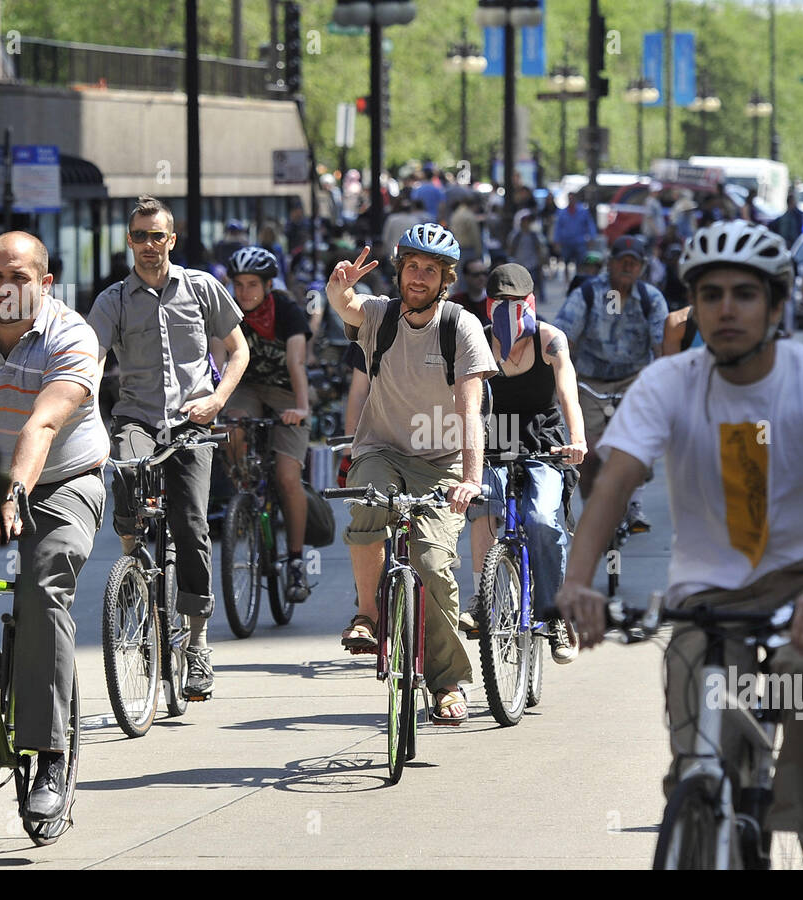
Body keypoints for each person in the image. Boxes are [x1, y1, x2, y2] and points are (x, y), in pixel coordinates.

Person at [556, 220, 803, 870]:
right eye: (711, 294)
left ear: (776, 305)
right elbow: (613, 485)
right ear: (693, 306)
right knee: (696, 710)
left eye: (744, 293)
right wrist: (578, 580)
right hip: (708, 591)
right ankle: (707, 803)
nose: (726, 308)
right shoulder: (668, 381)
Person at [0, 230, 107, 821]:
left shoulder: (72, 335)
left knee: (42, 580)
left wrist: (13, 498)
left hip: (63, 479)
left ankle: (50, 751)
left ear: (46, 284)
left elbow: (42, 426)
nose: (6, 289)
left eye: (20, 278)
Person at [324, 225, 496, 726]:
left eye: (430, 270)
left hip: (440, 464)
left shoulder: (459, 326)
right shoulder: (379, 314)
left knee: (433, 562)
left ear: (445, 279)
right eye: (411, 267)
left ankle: (446, 681)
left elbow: (470, 410)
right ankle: (367, 615)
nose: (418, 277)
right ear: (399, 271)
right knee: (369, 501)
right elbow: (345, 305)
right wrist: (339, 286)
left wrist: (469, 477)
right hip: (382, 448)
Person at [86, 195, 250, 701]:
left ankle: (198, 641)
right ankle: (133, 576)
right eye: (140, 236)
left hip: (191, 424)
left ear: (171, 240)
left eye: (158, 236)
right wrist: (89, 414)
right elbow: (92, 361)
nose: (149, 245)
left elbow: (239, 348)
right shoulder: (112, 299)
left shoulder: (201, 288)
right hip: (137, 418)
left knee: (193, 524)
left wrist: (218, 400)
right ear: (129, 241)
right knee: (129, 490)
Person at [457, 263, 587, 665]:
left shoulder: (550, 340)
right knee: (483, 513)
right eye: (501, 302)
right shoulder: (476, 340)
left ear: (530, 301)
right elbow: (461, 400)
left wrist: (577, 439)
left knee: (542, 519)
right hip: (491, 439)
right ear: (489, 304)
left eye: (518, 301)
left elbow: (569, 395)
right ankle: (483, 598)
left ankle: (556, 615)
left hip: (543, 442)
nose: (510, 309)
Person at [217, 246, 314, 601]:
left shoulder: (287, 311)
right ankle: (246, 490)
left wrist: (302, 409)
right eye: (238, 284)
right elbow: (217, 359)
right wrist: (213, 403)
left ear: (269, 284)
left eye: (252, 284)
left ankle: (297, 561)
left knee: (288, 477)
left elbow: (296, 363)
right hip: (247, 388)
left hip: (287, 393)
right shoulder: (227, 311)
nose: (244, 292)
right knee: (231, 424)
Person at [552, 234, 667, 529]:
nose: (627, 268)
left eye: (634, 263)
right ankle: (593, 510)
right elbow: (562, 338)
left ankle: (635, 504)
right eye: (622, 262)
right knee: (587, 454)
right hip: (591, 382)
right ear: (610, 263)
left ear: (642, 267)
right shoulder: (588, 294)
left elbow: (661, 346)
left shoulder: (651, 299)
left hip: (634, 379)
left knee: (638, 443)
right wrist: (557, 377)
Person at [553, 192, 597, 276]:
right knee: (566, 262)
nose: (571, 200)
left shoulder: (583, 211)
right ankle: (567, 282)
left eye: (572, 198)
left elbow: (590, 225)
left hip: (579, 242)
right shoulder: (562, 212)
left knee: (580, 263)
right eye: (569, 198)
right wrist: (556, 241)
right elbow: (558, 227)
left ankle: (578, 278)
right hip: (566, 241)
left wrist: (592, 237)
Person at [448, 257, 490, 325]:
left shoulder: (494, 301)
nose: (482, 278)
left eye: (484, 273)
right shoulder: (456, 301)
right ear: (466, 277)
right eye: (476, 275)